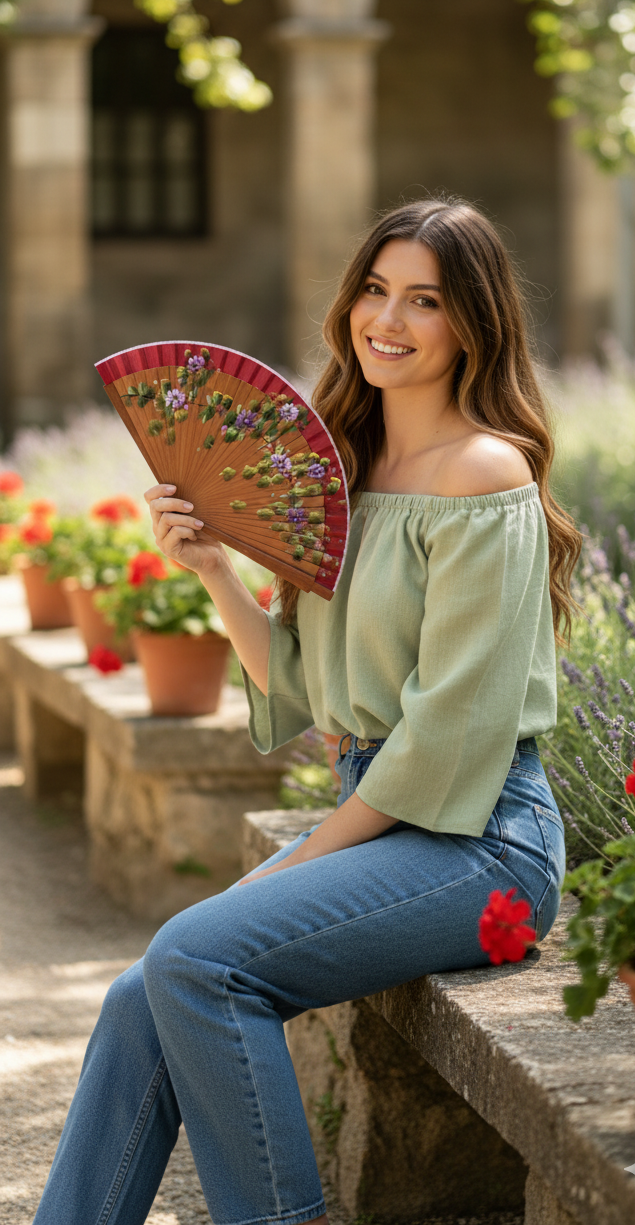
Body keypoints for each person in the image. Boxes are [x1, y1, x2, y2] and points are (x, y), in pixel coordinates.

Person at [35, 198, 580, 1225]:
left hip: (477, 837)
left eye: (423, 299)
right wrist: (214, 572)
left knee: (194, 958)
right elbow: (301, 684)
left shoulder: (483, 473)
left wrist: (316, 847)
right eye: (375, 289)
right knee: (136, 995)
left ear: (472, 321)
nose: (388, 317)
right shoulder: (342, 467)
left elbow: (449, 731)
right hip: (384, 812)